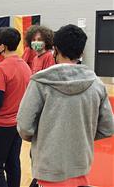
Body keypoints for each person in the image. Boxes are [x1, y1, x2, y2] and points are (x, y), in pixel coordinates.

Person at [17, 24, 114, 187]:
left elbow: (24, 126)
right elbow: (107, 128)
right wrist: (81, 135)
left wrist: (45, 138)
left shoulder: (39, 82)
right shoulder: (97, 84)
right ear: (81, 52)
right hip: (81, 165)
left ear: (55, 49)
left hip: (48, 168)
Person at [0, 27, 31, 187]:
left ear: (2, 46)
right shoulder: (24, 65)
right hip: (17, 124)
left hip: (0, 125)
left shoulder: (1, 68)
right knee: (13, 164)